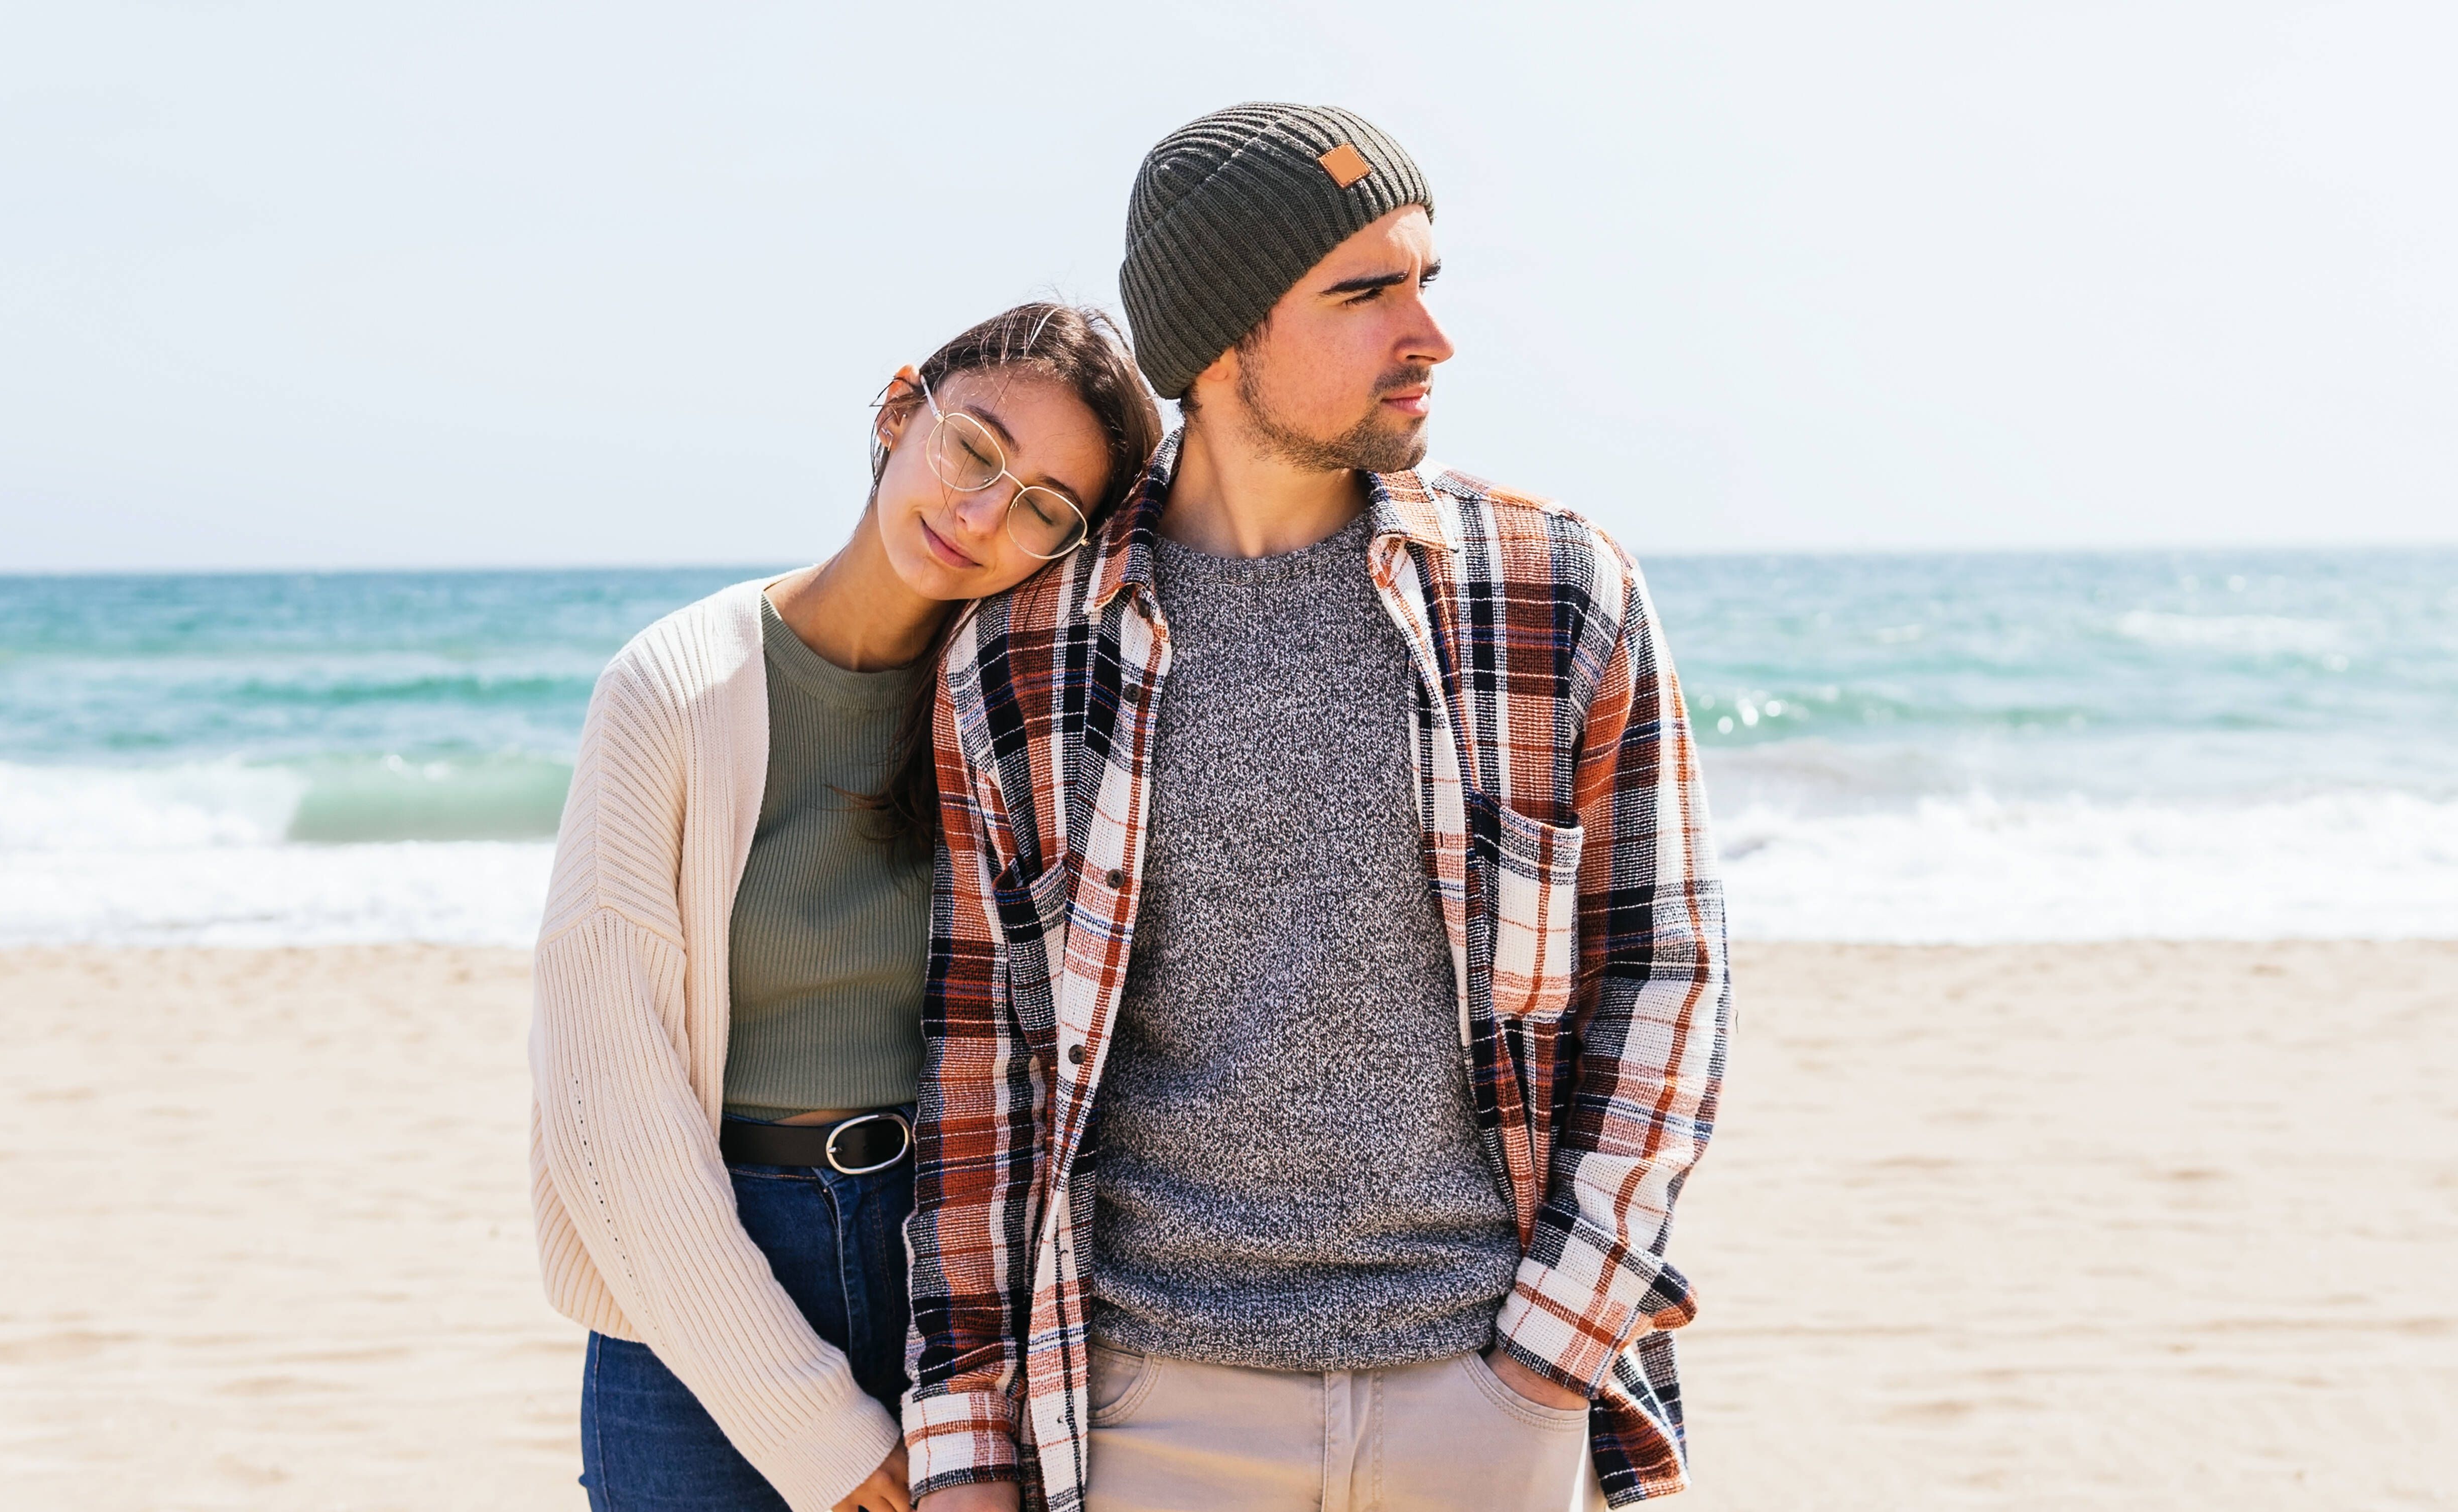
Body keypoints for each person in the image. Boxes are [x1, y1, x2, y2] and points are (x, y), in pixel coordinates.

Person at [905, 105, 1732, 1512]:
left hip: (1489, 1385)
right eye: (1365, 293)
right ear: (1218, 343)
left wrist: (1547, 1359)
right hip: (1150, 1406)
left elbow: (1667, 973)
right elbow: (982, 1066)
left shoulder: (1555, 591)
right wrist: (971, 1454)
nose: (1430, 335)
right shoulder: (1025, 654)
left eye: (1426, 281)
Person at [529, 303, 1162, 1512]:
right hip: (706, 1279)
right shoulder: (675, 684)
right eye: (973, 449)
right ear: (894, 412)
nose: (982, 515)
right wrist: (807, 1420)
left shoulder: (1021, 718)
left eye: (1043, 506)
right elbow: (608, 1098)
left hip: (958, 1276)